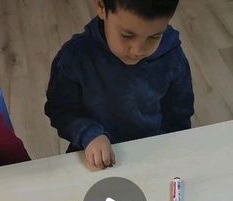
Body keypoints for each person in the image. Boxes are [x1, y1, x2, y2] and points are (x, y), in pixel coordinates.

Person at [45, 0, 194, 170]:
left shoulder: (172, 57)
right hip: (92, 155)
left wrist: (170, 152)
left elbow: (179, 117)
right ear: (102, 7)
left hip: (153, 154)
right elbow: (60, 110)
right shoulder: (74, 58)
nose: (138, 50)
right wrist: (89, 134)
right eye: (127, 35)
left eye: (154, 37)